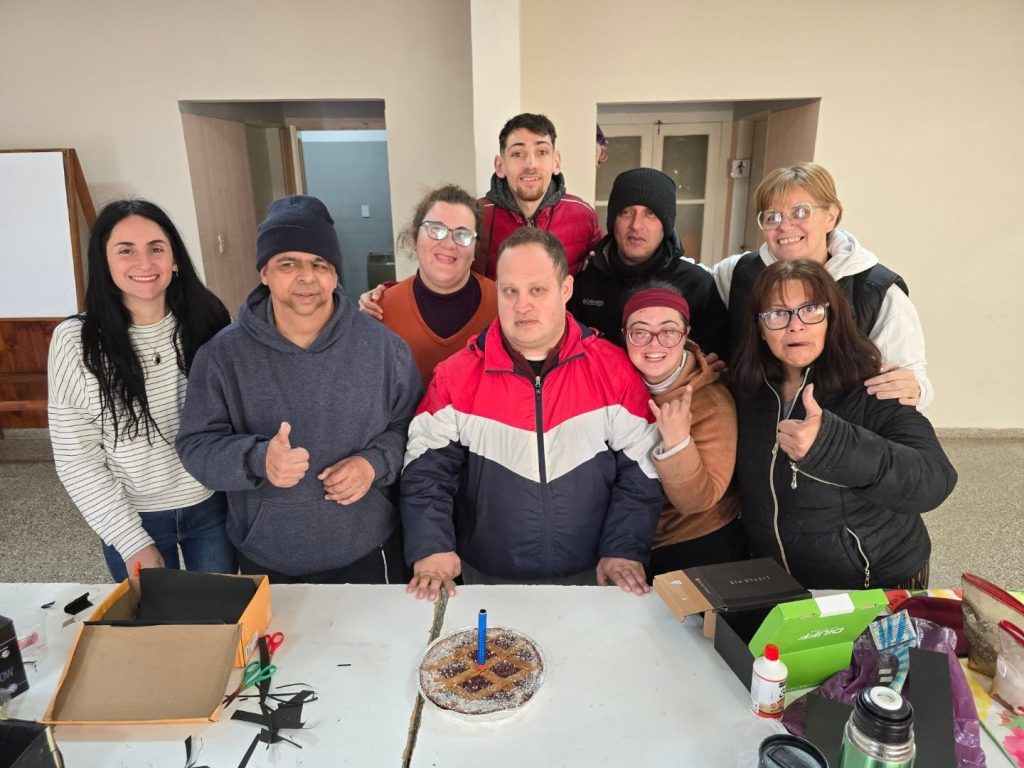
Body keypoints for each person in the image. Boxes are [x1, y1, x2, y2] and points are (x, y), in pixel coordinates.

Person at [401, 227, 663, 601]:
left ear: (566, 289)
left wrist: (624, 548)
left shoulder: (614, 370)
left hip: (594, 576)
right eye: (510, 291)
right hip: (486, 578)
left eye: (537, 290)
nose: (522, 305)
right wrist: (431, 547)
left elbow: (642, 470)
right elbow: (426, 472)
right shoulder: (454, 377)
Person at [176, 195, 423, 584]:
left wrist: (372, 464)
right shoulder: (222, 356)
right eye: (287, 264)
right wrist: (257, 459)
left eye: (319, 264)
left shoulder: (384, 349)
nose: (306, 277)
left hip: (368, 547)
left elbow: (412, 430)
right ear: (264, 272)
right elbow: (196, 445)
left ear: (335, 273)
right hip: (267, 555)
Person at [729, 259, 956, 590]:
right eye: (777, 314)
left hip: (874, 581)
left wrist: (833, 447)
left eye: (810, 310)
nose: (795, 326)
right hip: (782, 582)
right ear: (760, 328)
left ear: (831, 318)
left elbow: (935, 478)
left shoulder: (871, 384)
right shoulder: (745, 389)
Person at [48, 199, 235, 581]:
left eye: (156, 248)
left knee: (220, 611)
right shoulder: (76, 341)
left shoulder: (209, 319)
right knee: (153, 617)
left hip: (212, 505)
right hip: (132, 515)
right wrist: (129, 539)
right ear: (104, 262)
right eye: (126, 251)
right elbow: (76, 456)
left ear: (175, 259)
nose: (144, 263)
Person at [713, 162, 932, 408]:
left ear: (831, 217)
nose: (784, 226)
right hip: (755, 423)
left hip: (840, 425)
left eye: (800, 212)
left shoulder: (877, 290)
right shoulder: (739, 273)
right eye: (772, 217)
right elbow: (688, 281)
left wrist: (916, 388)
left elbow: (913, 380)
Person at [358, 113, 601, 320]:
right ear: (500, 165)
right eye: (518, 153)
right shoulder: (476, 216)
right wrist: (388, 294)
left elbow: (600, 279)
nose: (531, 164)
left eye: (542, 152)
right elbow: (442, 269)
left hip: (560, 345)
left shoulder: (583, 216)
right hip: (491, 340)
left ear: (556, 162)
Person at [621, 282, 747, 577]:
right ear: (624, 335)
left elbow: (697, 501)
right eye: (640, 332)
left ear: (685, 334)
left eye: (669, 331)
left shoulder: (711, 401)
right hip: (626, 543)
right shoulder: (612, 386)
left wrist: (677, 443)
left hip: (696, 546)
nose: (654, 344)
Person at [569, 167, 729, 357]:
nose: (636, 225)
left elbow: (715, 359)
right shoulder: (587, 281)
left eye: (650, 213)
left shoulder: (696, 285)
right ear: (613, 221)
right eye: (626, 212)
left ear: (666, 225)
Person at [374, 184, 497, 386]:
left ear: (475, 249)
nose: (449, 244)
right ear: (415, 237)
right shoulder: (380, 311)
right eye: (436, 230)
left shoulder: (501, 307)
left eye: (463, 234)